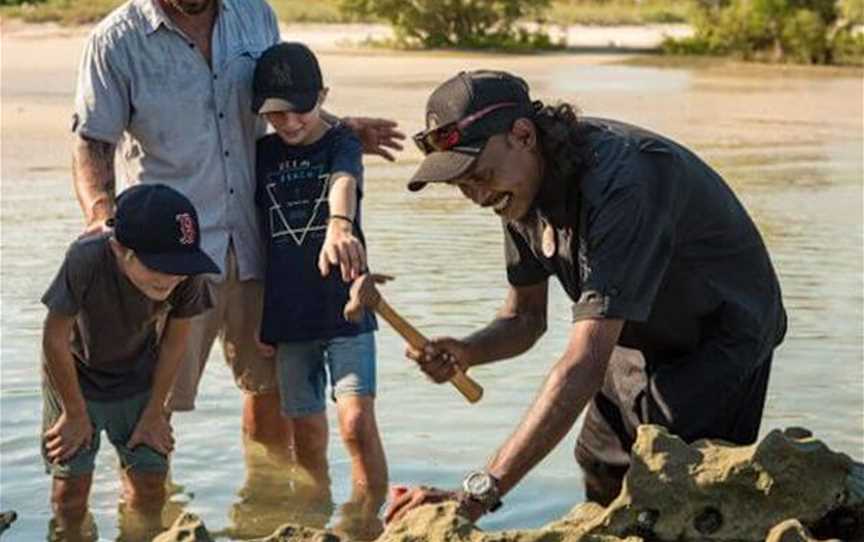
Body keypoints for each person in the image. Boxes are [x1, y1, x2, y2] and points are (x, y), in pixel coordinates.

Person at [385, 70, 787, 523]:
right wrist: (469, 350)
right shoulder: (514, 189)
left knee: (676, 492)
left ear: (522, 134)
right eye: (461, 183)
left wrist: (476, 494)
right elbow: (525, 319)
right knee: (600, 460)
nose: (476, 195)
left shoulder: (623, 182)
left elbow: (582, 363)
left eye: (480, 174)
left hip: (721, 334)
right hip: (634, 329)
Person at [70, 0, 404, 464]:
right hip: (169, 255)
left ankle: (263, 511)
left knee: (267, 391)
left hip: (255, 243)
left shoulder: (256, 15)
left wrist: (333, 130)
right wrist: (100, 218)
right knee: (153, 403)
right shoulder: (115, 41)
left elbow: (281, 95)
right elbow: (92, 140)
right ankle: (146, 517)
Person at [252, 42, 387, 538]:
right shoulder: (260, 153)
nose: (289, 124)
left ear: (323, 97)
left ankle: (367, 520)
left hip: (345, 311)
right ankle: (314, 521)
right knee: (306, 434)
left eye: (300, 110)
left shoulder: (341, 142)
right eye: (274, 113)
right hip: (287, 318)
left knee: (354, 423)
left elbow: (344, 182)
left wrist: (338, 224)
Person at [41, 184, 217, 539]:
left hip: (139, 377)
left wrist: (155, 413)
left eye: (180, 266)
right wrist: (74, 413)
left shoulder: (188, 271)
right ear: (120, 249)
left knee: (151, 489)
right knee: (69, 499)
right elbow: (54, 338)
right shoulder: (85, 258)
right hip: (76, 377)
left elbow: (174, 344)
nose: (173, 278)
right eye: (161, 266)